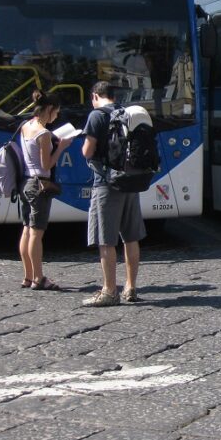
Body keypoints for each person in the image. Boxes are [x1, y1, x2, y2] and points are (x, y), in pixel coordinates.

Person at [81, 81, 145, 306]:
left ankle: (109, 291)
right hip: (130, 181)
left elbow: (88, 151)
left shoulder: (96, 116)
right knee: (130, 237)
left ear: (94, 96)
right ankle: (131, 287)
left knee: (105, 239)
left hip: (107, 184)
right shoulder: (126, 113)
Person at [18, 90, 74, 291]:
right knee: (36, 233)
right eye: (56, 112)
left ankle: (27, 275)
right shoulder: (42, 134)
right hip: (40, 184)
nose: (57, 116)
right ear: (49, 109)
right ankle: (39, 278)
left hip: (25, 182)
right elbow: (47, 164)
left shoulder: (26, 126)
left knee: (26, 229)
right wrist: (61, 147)